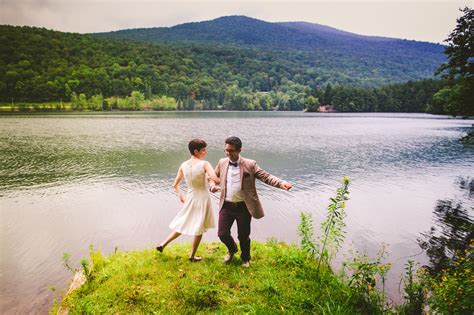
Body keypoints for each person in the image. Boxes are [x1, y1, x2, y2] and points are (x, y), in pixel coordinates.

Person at [210, 136, 292, 267]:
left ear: (239, 150)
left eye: (231, 150)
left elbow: (266, 177)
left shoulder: (250, 164)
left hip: (244, 207)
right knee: (222, 233)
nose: (228, 153)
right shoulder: (222, 162)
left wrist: (281, 183)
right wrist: (212, 185)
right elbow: (213, 177)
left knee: (243, 236)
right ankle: (232, 249)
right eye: (226, 150)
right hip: (226, 205)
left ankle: (245, 258)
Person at [156, 139, 219, 262]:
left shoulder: (183, 165)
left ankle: (163, 244)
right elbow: (216, 179)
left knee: (184, 223)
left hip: (190, 197)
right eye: (203, 150)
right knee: (199, 227)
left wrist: (181, 195)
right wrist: (211, 179)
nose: (205, 152)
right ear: (196, 151)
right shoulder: (204, 164)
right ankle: (192, 256)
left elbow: (175, 184)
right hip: (202, 198)